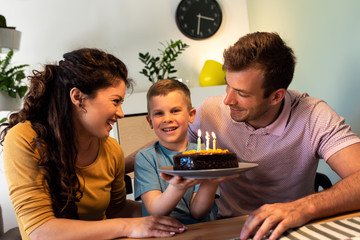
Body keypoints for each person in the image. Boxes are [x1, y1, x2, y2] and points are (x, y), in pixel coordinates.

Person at [187, 32, 360, 240]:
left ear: (276, 96)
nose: (227, 100)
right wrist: (135, 163)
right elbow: (165, 148)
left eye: (242, 93)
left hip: (291, 229)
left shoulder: (314, 116)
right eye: (228, 85)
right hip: (229, 227)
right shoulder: (210, 111)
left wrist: (303, 207)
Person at [0, 48, 187, 240]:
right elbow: (41, 231)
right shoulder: (24, 139)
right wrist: (128, 226)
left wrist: (176, 213)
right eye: (115, 101)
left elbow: (118, 209)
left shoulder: (111, 149)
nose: (121, 113)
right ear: (78, 97)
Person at [134, 79, 230, 225]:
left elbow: (198, 213)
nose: (168, 119)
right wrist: (177, 187)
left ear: (191, 115)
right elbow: (156, 211)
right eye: (159, 113)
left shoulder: (204, 155)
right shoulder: (145, 158)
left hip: (203, 233)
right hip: (162, 234)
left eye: (175, 111)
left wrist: (211, 183)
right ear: (150, 121)